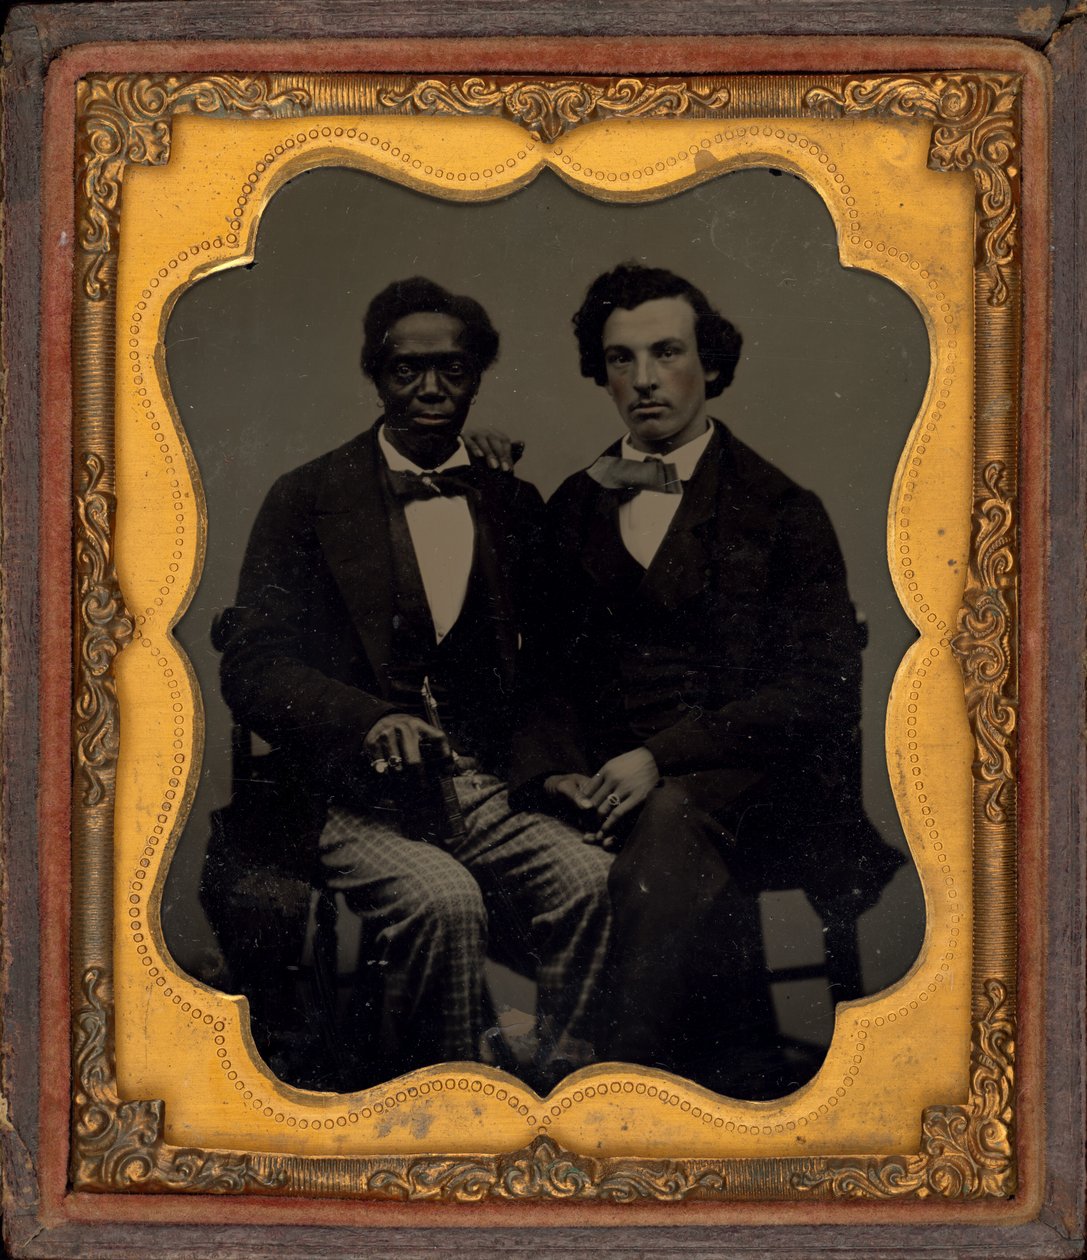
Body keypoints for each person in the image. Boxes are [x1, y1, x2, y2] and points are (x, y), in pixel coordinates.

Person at [510, 263, 903, 1096]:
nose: (644, 379)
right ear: (600, 373)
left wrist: (659, 757)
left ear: (710, 364)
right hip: (609, 784)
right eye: (620, 359)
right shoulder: (572, 505)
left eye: (666, 352)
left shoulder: (781, 507)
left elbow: (817, 691)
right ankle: (703, 1068)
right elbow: (540, 671)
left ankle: (614, 1084)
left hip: (760, 784)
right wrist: (555, 772)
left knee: (669, 822)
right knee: (520, 850)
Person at [211, 276, 611, 1092]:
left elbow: (551, 664)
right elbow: (252, 664)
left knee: (590, 880)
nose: (430, 389)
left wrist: (552, 767)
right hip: (345, 797)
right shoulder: (307, 498)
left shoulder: (507, 499)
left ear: (476, 377)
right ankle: (454, 1099)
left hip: (479, 786)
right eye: (407, 370)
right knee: (443, 901)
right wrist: (363, 720)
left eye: (452, 370)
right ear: (376, 375)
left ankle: (561, 1092)